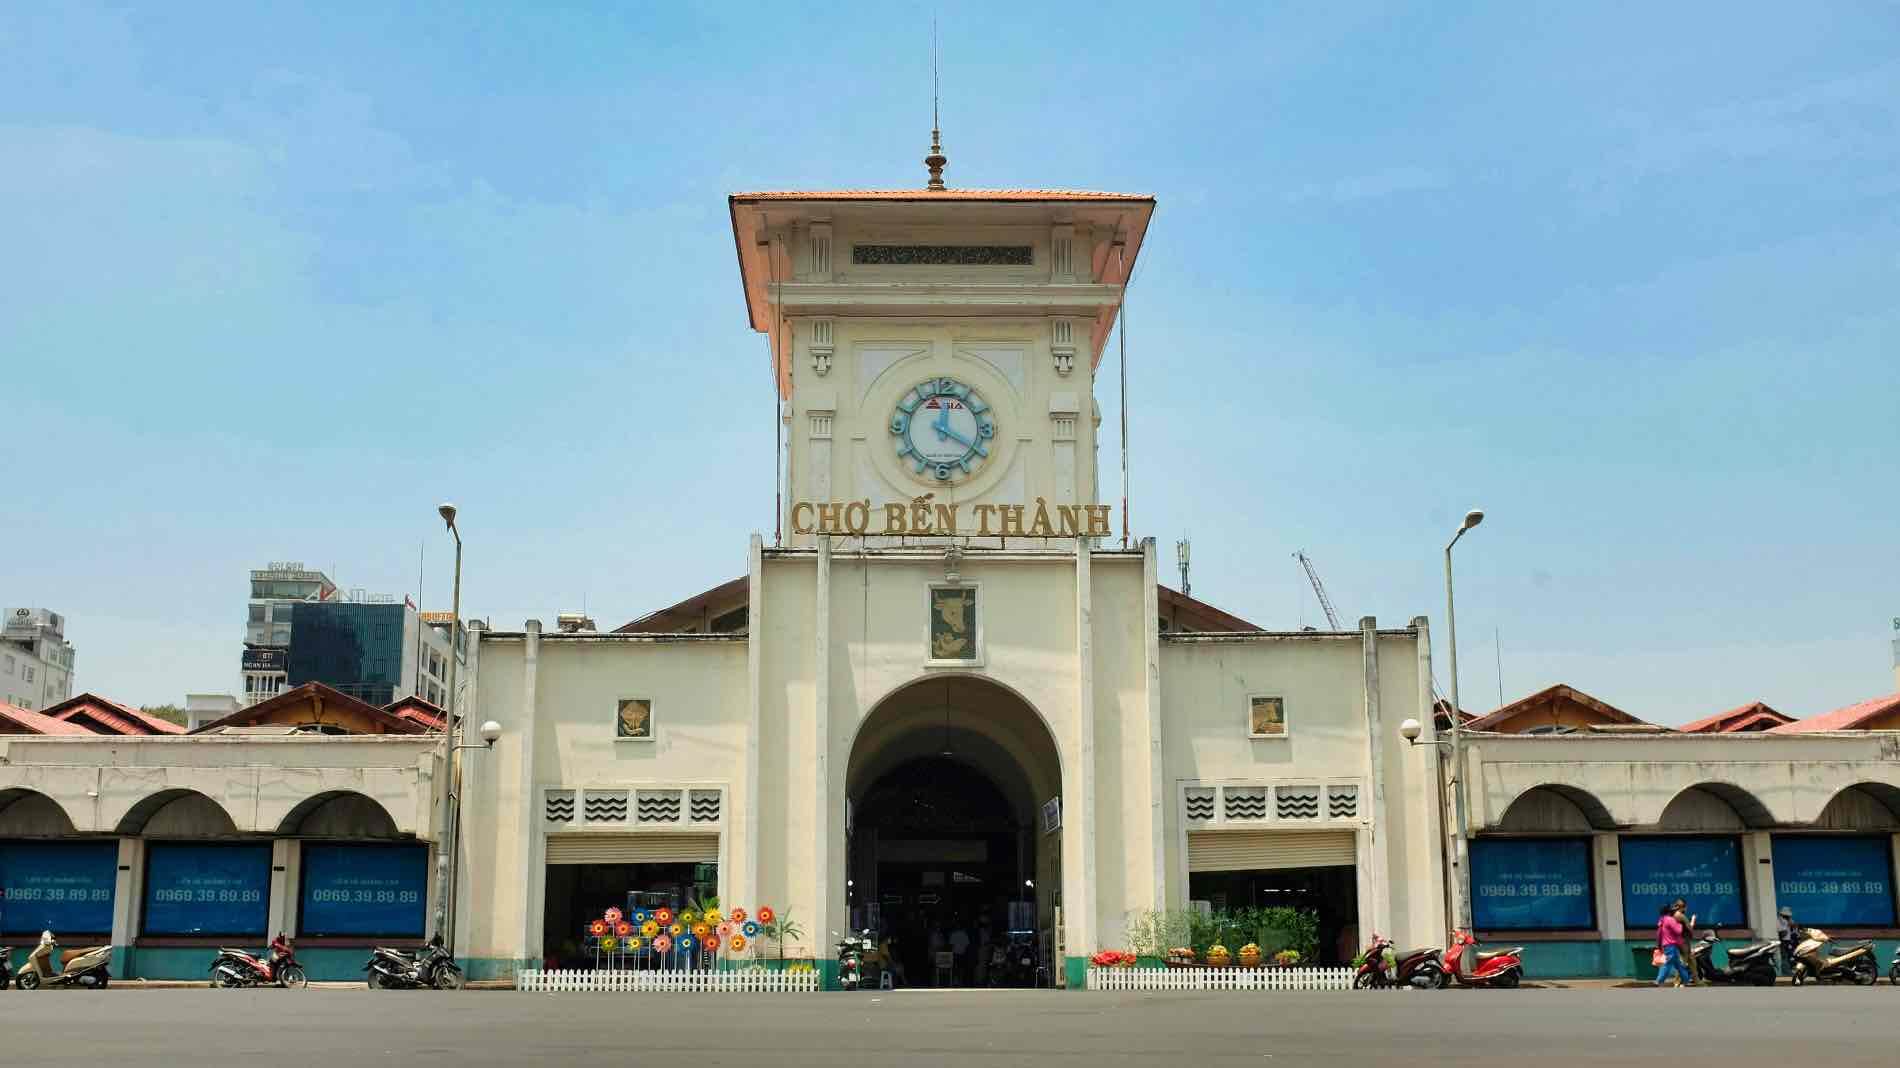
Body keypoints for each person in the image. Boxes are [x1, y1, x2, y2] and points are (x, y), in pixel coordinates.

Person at [1654, 904, 1692, 988]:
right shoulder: (1670, 920)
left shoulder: (1662, 920)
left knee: (1678, 964)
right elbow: (1678, 931)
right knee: (1667, 963)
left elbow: (1659, 933)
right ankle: (1659, 980)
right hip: (1671, 945)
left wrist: (1659, 945)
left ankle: (1686, 979)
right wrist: (1681, 924)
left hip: (1666, 945)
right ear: (1668, 911)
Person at [1670, 898, 1699, 985]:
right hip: (1684, 942)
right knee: (1683, 963)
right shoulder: (1681, 916)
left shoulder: (1673, 915)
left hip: (1680, 941)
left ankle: (1697, 981)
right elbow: (1690, 928)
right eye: (1686, 907)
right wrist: (1693, 919)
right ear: (1683, 907)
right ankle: (1677, 982)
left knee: (1692, 962)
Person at [1777, 907, 1796, 974]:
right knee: (1784, 957)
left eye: (1788, 917)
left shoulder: (1789, 921)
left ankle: (1792, 970)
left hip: (1789, 942)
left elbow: (1794, 932)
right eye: (1786, 917)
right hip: (1782, 942)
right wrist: (1786, 925)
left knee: (1792, 957)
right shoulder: (1778, 922)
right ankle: (1785, 972)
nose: (1787, 918)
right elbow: (1782, 934)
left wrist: (1792, 926)